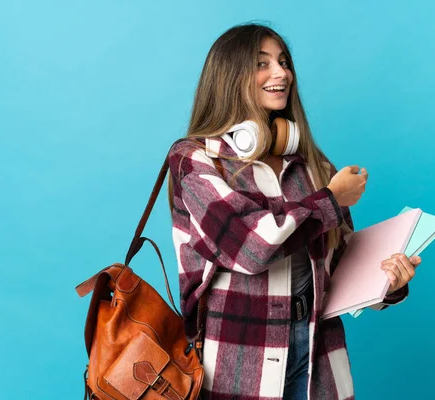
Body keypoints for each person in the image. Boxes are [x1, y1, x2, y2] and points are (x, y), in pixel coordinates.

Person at [167, 23, 422, 400]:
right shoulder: (195, 160)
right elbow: (252, 248)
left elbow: (340, 263)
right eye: (262, 63)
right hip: (238, 357)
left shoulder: (312, 164)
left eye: (284, 62)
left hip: (318, 349)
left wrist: (390, 284)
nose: (281, 73)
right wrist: (331, 200)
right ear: (228, 76)